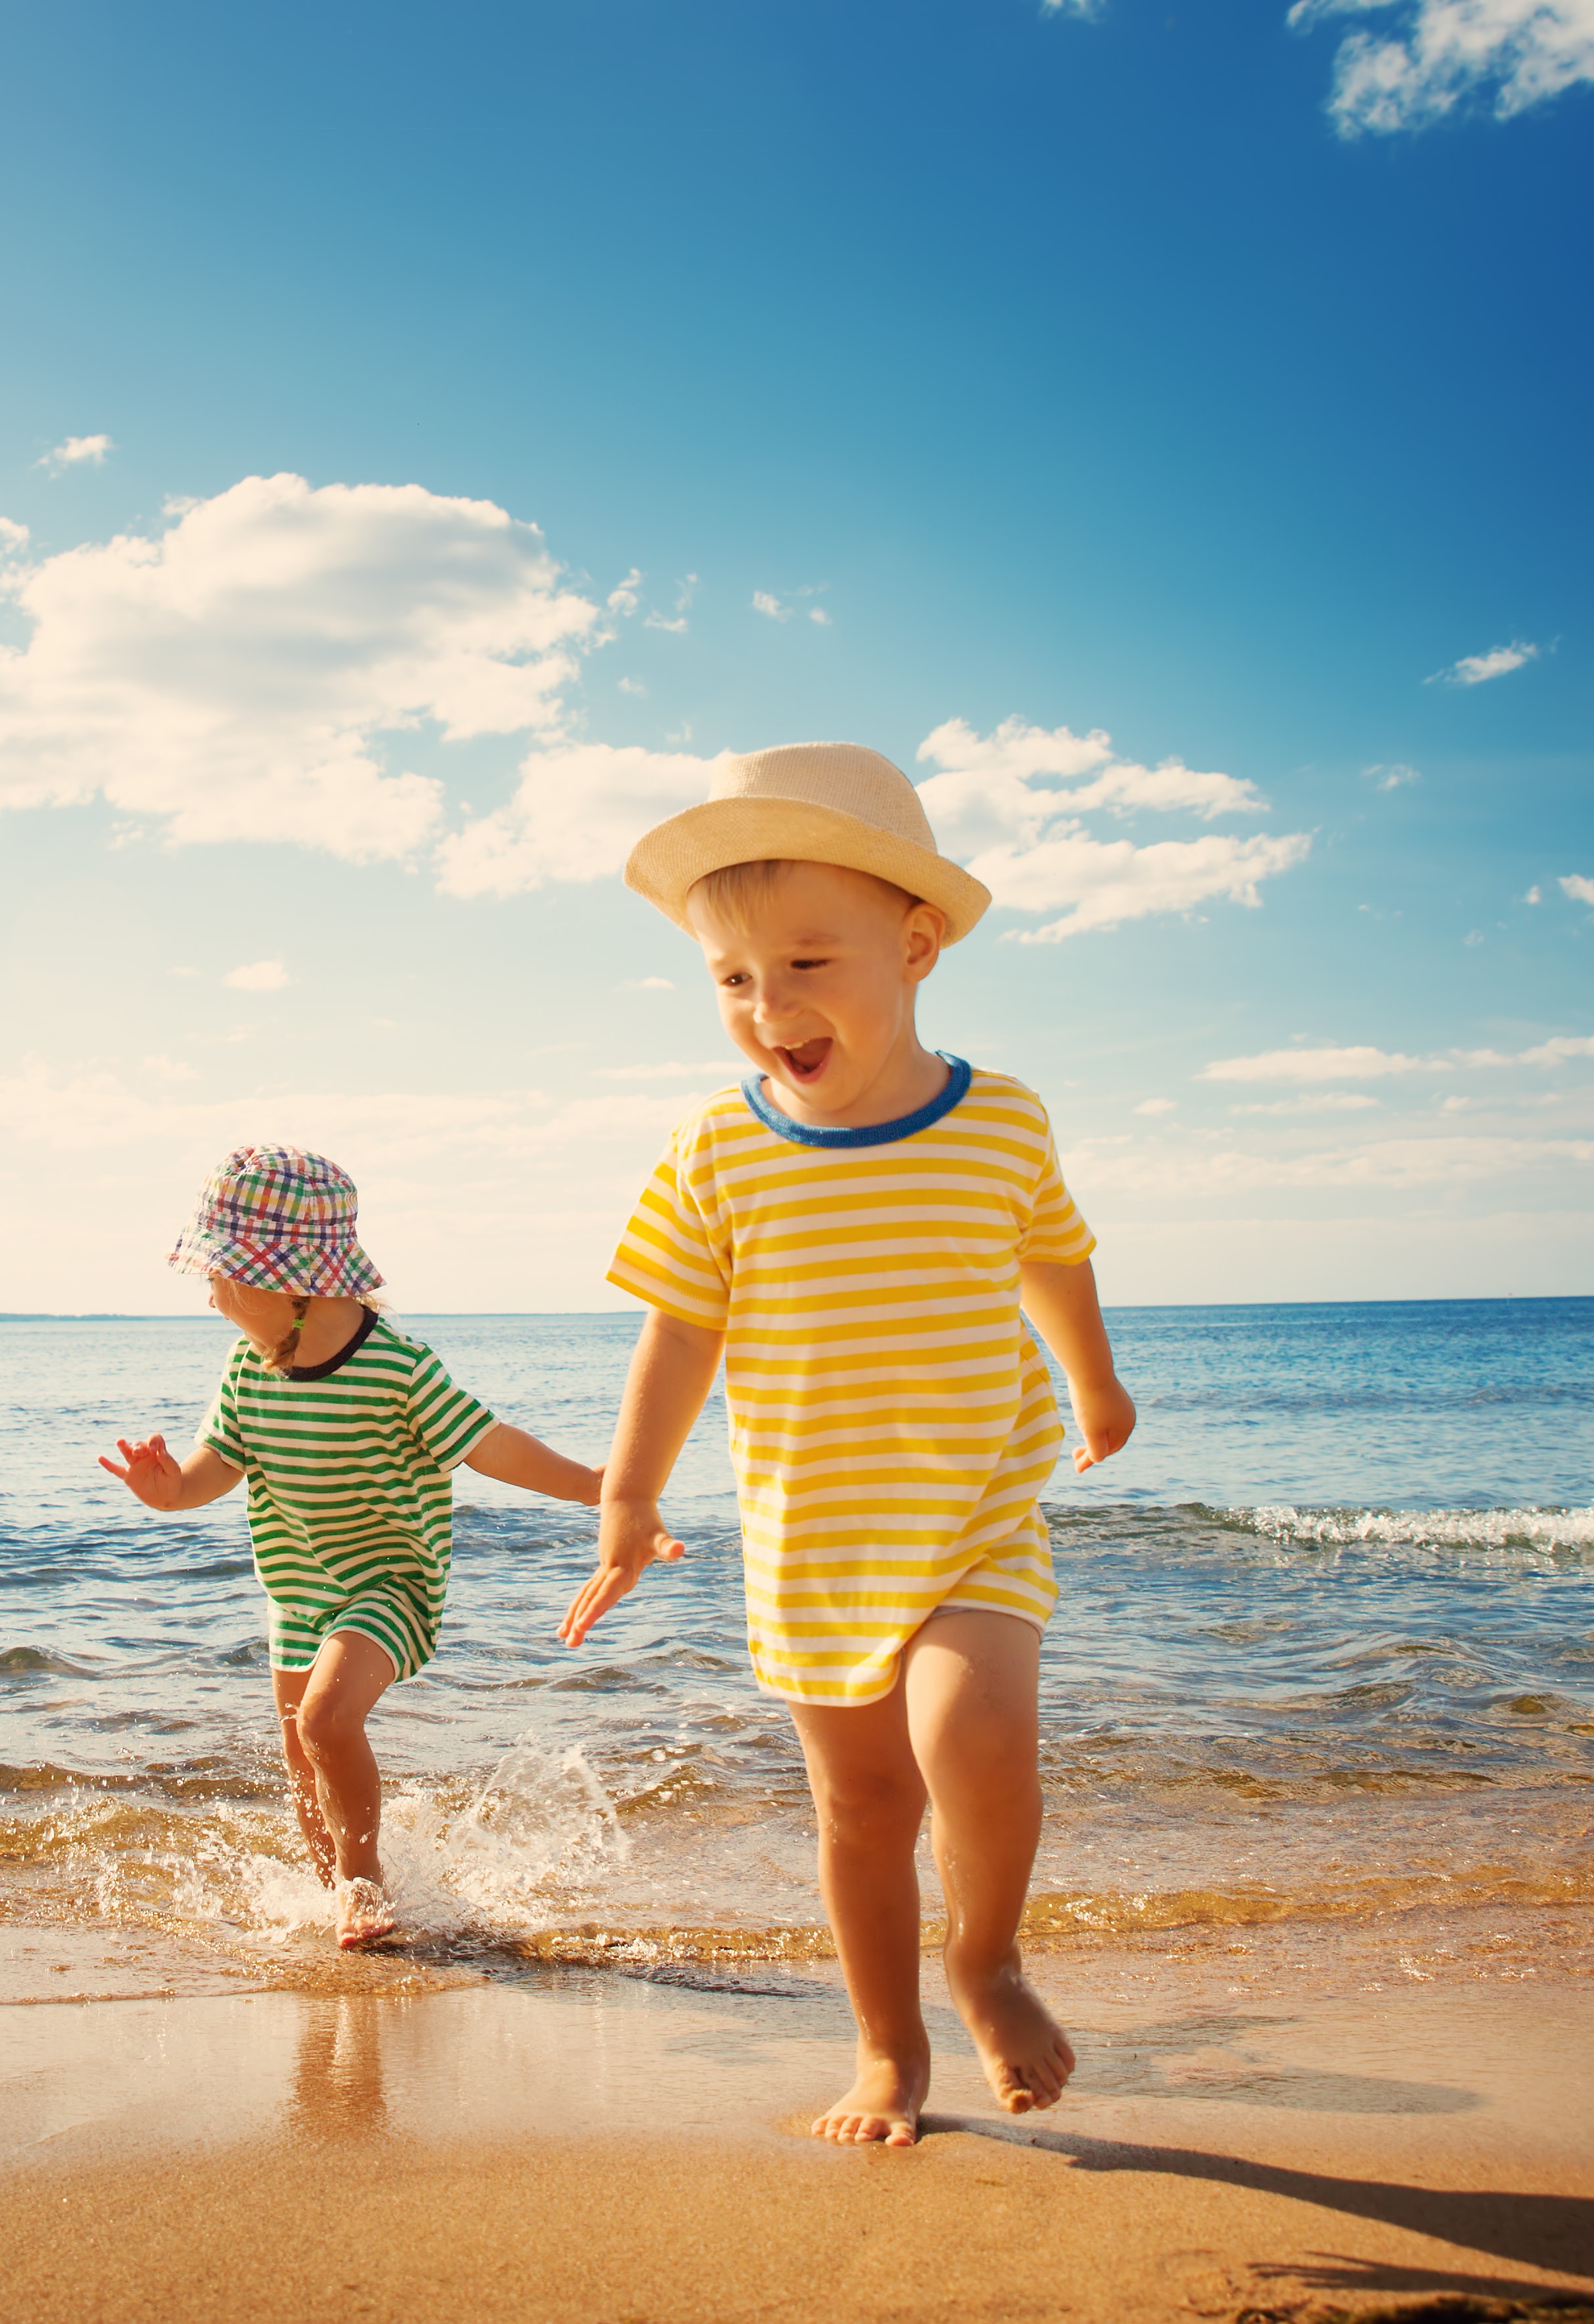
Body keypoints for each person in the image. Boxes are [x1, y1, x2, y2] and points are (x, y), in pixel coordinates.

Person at [557, 741, 1137, 2145]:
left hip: (974, 1515)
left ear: (917, 944)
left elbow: (1053, 1258)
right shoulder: (717, 1150)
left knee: (976, 1736)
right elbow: (680, 1333)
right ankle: (887, 2052)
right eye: (735, 980)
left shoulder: (1000, 1120)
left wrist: (1096, 1386)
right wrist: (629, 1493)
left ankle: (984, 1958)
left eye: (809, 964)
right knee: (864, 1808)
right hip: (814, 1539)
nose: (770, 1009)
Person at [103, 1144, 603, 1949]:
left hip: (390, 1584)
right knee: (303, 1757)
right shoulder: (247, 1368)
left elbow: (488, 1444)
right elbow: (216, 1466)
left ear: (286, 1279)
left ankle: (365, 1881)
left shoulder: (396, 1368)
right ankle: (338, 1900)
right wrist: (171, 1491)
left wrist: (588, 1484)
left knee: (327, 1724)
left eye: (220, 1275)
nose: (210, 1296)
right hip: (297, 1590)